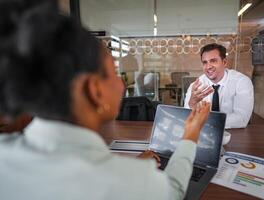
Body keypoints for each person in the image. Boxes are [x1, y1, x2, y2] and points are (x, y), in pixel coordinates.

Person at [0, 1, 211, 200]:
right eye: (113, 73)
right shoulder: (128, 182)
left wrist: (127, 170)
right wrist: (190, 134)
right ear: (95, 90)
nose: (121, 84)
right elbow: (173, 190)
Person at [184, 43, 254, 129]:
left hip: (233, 135)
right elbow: (187, 118)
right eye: (205, 62)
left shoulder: (241, 82)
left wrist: (203, 119)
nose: (208, 67)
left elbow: (241, 119)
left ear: (224, 62)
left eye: (213, 61)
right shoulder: (195, 86)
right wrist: (192, 103)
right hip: (204, 134)